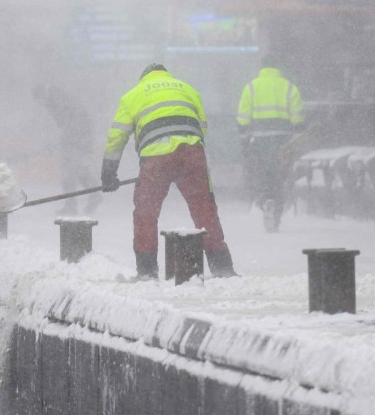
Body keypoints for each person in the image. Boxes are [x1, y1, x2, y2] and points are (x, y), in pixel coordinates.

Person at [101, 63, 236, 279]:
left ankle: (147, 271)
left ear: (144, 78)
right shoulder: (187, 89)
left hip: (156, 156)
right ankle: (223, 267)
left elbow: (117, 136)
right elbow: (201, 127)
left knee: (146, 212)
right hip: (191, 151)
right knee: (204, 207)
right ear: (165, 74)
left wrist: (108, 173)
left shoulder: (132, 96)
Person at [236, 58, 304, 231]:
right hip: (283, 140)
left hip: (259, 140)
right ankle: (277, 215)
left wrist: (244, 134)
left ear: (262, 68)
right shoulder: (289, 87)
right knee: (279, 177)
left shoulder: (251, 87)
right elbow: (297, 118)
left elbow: (243, 117)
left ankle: (265, 200)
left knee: (262, 175)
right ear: (277, 68)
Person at [32, 84, 100, 215]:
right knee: (77, 170)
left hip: (77, 139)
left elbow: (71, 121)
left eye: (39, 102)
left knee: (68, 171)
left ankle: (75, 204)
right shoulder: (55, 98)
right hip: (79, 138)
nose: (40, 105)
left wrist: (66, 140)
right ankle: (91, 196)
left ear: (41, 96)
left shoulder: (56, 99)